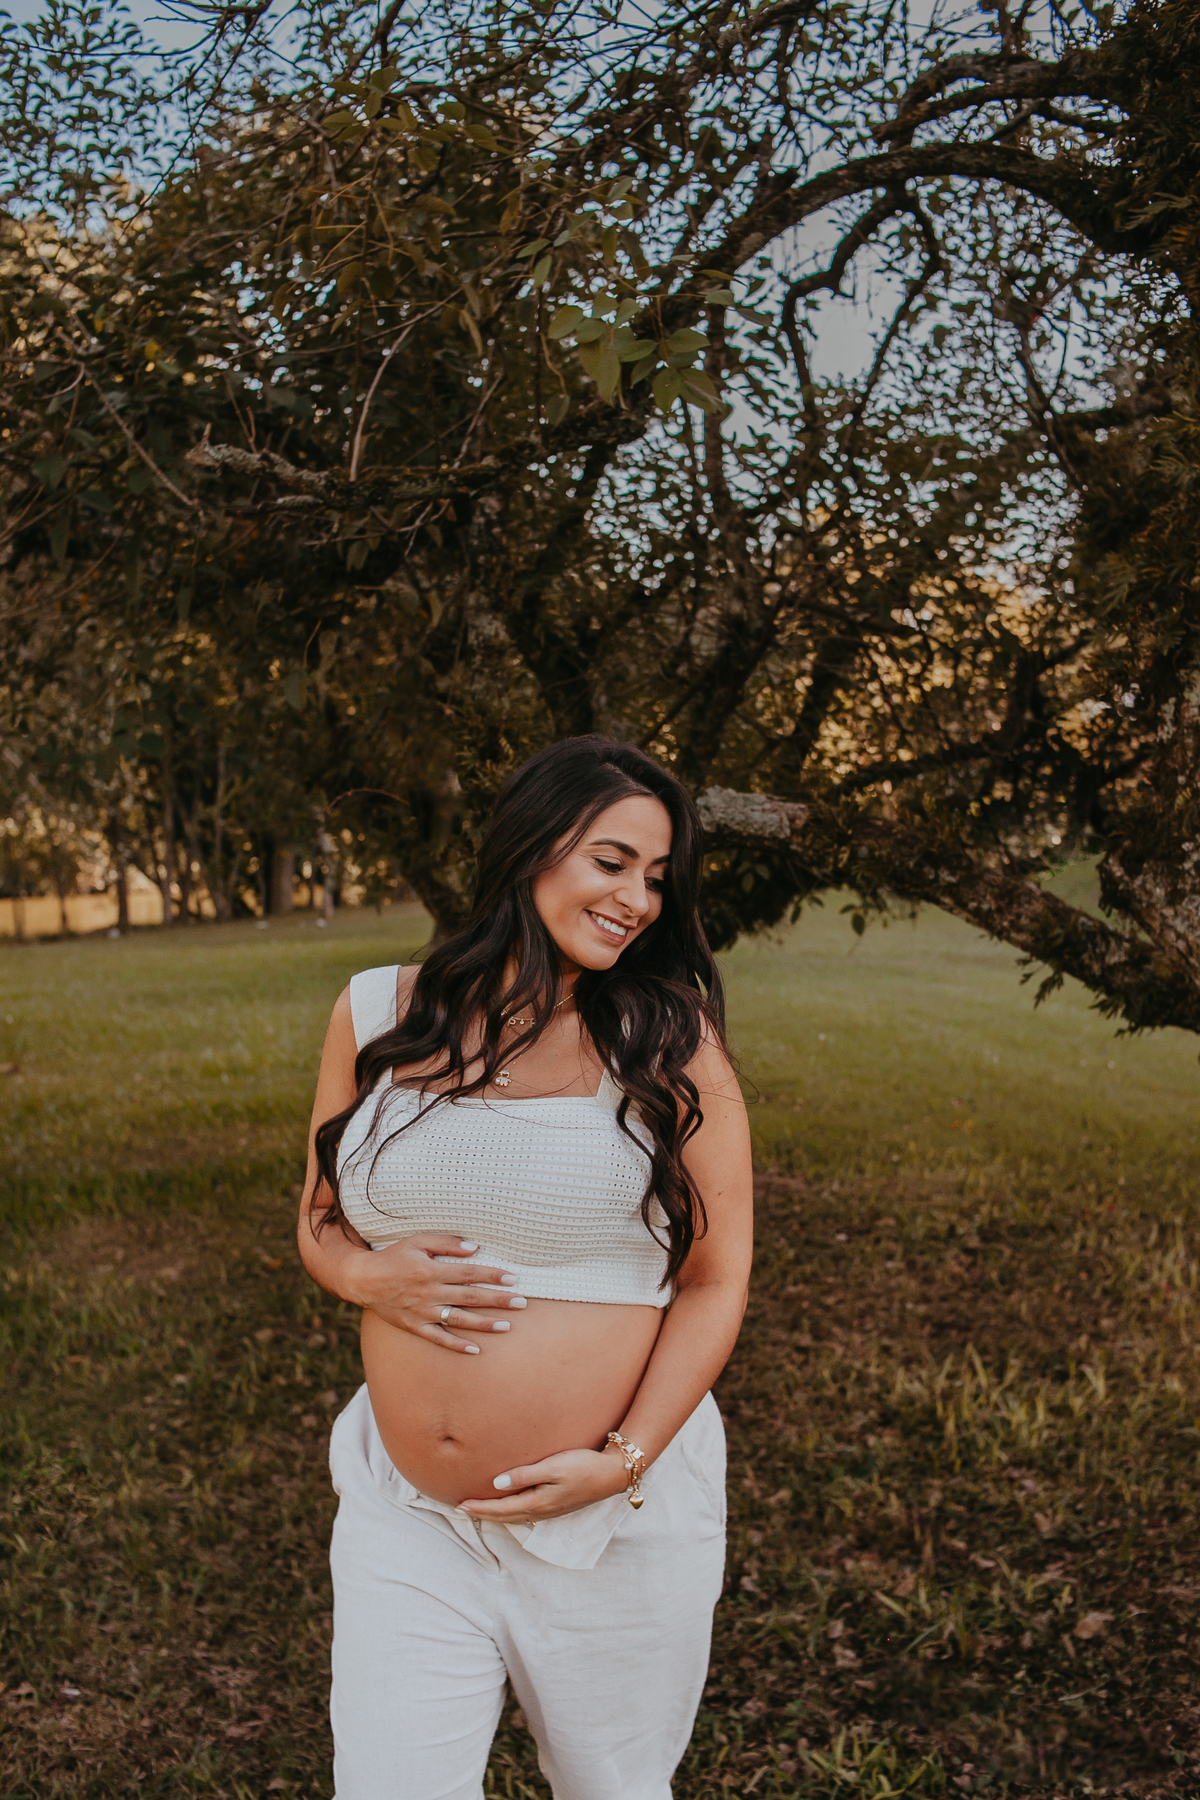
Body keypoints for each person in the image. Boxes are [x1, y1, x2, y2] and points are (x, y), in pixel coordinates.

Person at [298, 735, 753, 1800]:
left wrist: (626, 1461)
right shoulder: (377, 1013)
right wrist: (362, 1279)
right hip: (406, 1516)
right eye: (612, 861)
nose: (638, 897)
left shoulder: (667, 1040)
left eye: (656, 875)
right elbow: (321, 1218)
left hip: (612, 1519)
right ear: (533, 845)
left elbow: (715, 1278)